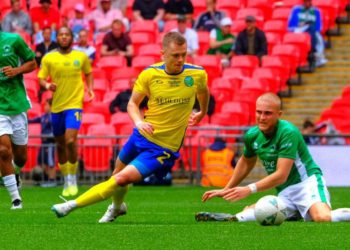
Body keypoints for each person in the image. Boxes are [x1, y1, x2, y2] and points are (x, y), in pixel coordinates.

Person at [51, 31, 210, 223]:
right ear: (163, 54)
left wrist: (202, 111)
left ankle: (70, 205)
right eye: (176, 55)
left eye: (184, 54)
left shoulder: (197, 73)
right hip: (140, 136)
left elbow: (203, 92)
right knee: (116, 175)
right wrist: (139, 122)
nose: (181, 59)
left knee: (120, 180)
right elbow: (132, 104)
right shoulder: (150, 74)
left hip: (163, 148)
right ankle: (117, 207)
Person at [195, 93, 350, 223]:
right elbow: (246, 161)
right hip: (285, 191)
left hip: (307, 184)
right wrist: (227, 188)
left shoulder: (288, 132)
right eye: (259, 112)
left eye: (267, 113)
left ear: (279, 114)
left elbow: (281, 175)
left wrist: (249, 189)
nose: (262, 117)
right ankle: (232, 218)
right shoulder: (252, 135)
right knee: (249, 214)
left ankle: (299, 212)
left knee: (322, 218)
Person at [38, 27, 94, 197]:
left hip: (74, 104)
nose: (63, 37)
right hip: (57, 106)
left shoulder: (81, 56)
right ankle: (66, 178)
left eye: (67, 35)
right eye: (61, 35)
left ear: (72, 38)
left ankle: (72, 179)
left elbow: (89, 73)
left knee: (70, 141)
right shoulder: (49, 57)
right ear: (58, 38)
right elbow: (40, 78)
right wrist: (48, 85)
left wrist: (90, 89)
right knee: (61, 145)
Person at [0, 30, 37, 209]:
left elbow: (32, 63)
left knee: (21, 157)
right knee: (3, 151)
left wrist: (16, 70)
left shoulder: (13, 40)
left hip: (17, 104)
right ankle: (16, 199)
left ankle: (16, 172)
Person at [288, 0, 327, 67]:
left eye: (309, 2)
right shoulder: (296, 9)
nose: (307, 3)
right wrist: (300, 24)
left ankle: (316, 54)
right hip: (298, 31)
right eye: (306, 1)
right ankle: (314, 52)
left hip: (312, 32)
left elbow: (319, 26)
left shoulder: (316, 11)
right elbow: (290, 25)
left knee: (317, 36)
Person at [28, 98, 56, 187]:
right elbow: (32, 121)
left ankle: (52, 180)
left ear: (51, 106)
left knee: (51, 162)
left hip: (50, 143)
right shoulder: (43, 117)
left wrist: (48, 136)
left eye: (46, 105)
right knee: (42, 161)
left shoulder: (54, 117)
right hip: (43, 144)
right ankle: (45, 179)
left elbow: (55, 131)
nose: (45, 107)